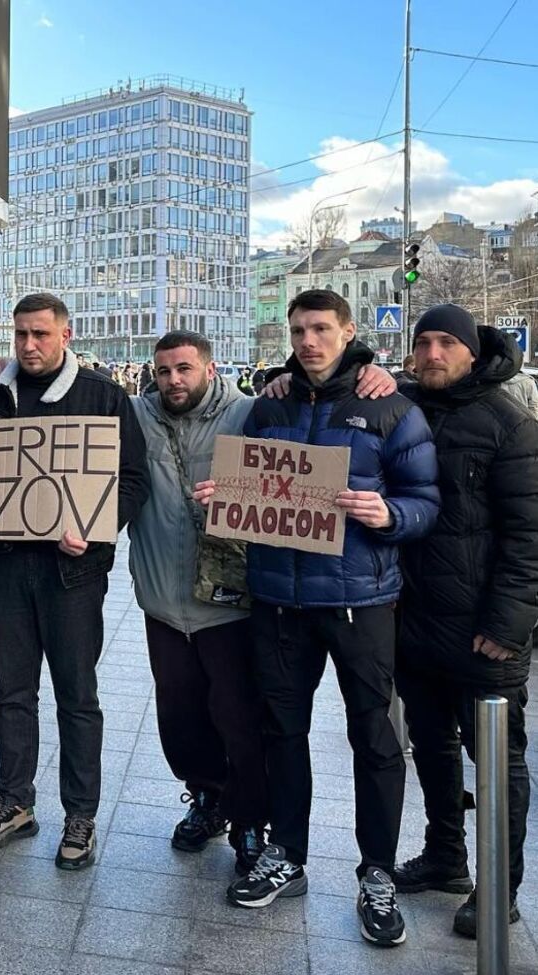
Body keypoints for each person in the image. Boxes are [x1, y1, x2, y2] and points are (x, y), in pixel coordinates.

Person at [195, 289, 439, 948]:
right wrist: (229, 494)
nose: (308, 341)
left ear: (348, 330)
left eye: (321, 328)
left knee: (375, 740)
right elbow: (246, 478)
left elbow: (425, 501)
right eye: (298, 329)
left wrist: (389, 515)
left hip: (362, 602)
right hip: (278, 600)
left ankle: (377, 873)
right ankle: (288, 854)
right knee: (282, 732)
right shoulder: (270, 402)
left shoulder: (389, 406)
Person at [0, 292, 150, 870]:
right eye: (21, 335)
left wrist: (98, 524)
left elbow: (131, 479)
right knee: (13, 691)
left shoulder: (104, 397)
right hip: (7, 569)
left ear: (65, 334)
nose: (30, 346)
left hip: (73, 573)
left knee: (76, 697)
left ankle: (80, 813)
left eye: (40, 334)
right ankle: (14, 801)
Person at [392, 305, 538, 939]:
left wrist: (507, 627)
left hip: (485, 631)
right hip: (416, 619)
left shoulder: (512, 426)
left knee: (497, 760)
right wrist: (287, 376)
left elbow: (530, 538)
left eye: (445, 342)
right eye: (422, 343)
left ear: (473, 352)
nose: (432, 354)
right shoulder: (403, 406)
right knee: (432, 745)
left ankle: (498, 890)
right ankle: (445, 857)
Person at [129, 330, 268, 874]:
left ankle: (252, 819)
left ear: (209, 369)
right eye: (164, 371)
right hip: (163, 600)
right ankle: (207, 796)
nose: (174, 381)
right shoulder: (136, 416)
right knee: (180, 717)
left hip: (229, 604)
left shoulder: (249, 413)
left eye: (184, 369)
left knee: (239, 716)